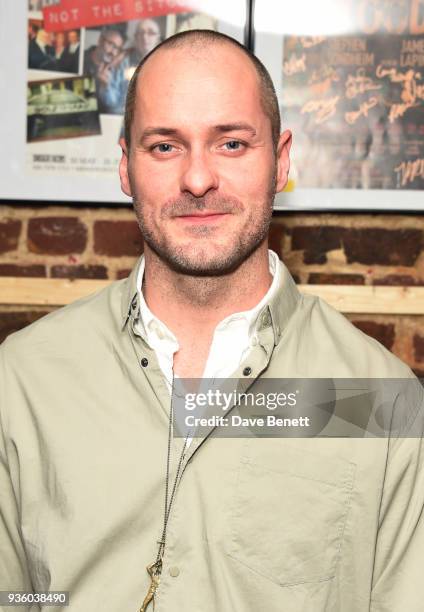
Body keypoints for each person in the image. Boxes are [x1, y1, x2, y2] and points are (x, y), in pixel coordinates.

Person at [1, 29, 424, 612]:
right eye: (164, 146)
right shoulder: (23, 380)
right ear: (125, 167)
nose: (198, 181)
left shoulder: (384, 401)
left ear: (280, 161)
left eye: (231, 144)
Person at [83, 26, 128, 114]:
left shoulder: (115, 72)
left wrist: (105, 88)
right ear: (100, 40)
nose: (113, 52)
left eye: (118, 49)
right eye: (111, 44)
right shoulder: (80, 59)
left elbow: (115, 108)